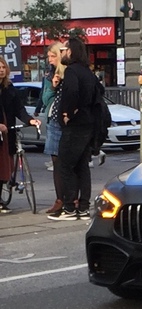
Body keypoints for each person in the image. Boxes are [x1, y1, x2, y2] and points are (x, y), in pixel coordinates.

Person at [48, 37, 96, 221]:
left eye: (64, 50)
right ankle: (83, 207)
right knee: (82, 166)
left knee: (65, 165)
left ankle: (69, 208)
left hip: (75, 126)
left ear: (71, 51)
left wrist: (68, 113)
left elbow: (72, 92)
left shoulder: (72, 72)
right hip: (87, 124)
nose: (62, 53)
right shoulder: (87, 72)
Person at [0, 57, 41, 214]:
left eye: (4, 67)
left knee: (7, 165)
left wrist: (31, 120)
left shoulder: (10, 88)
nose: (2, 70)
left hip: (8, 131)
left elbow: (20, 109)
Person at [40, 41, 66, 214]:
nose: (50, 59)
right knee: (56, 163)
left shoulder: (69, 73)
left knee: (68, 163)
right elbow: (45, 99)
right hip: (53, 120)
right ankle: (60, 199)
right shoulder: (50, 75)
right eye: (48, 56)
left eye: (53, 56)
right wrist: (53, 86)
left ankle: (72, 199)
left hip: (66, 121)